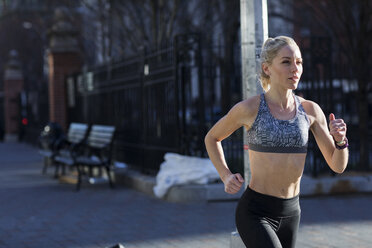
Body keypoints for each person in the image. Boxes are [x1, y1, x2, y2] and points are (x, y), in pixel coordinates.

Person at [204, 36, 349, 248]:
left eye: (298, 62)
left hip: (292, 213)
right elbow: (212, 137)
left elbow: (338, 165)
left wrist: (340, 141)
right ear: (267, 68)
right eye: (286, 62)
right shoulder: (249, 108)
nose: (295, 68)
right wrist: (225, 176)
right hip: (255, 212)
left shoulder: (310, 110)